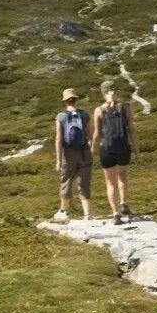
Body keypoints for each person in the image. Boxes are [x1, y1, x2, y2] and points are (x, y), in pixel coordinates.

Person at [92, 78, 135, 225]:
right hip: (123, 147)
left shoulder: (99, 110)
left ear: (104, 93)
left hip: (107, 148)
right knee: (122, 175)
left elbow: (97, 133)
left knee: (110, 182)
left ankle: (115, 213)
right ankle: (123, 202)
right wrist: (136, 147)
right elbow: (131, 129)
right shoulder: (126, 107)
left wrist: (94, 148)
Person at [52, 88, 93, 221]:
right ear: (76, 100)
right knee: (84, 182)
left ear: (65, 102)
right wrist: (90, 150)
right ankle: (87, 214)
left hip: (68, 154)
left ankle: (64, 210)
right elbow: (92, 135)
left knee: (66, 180)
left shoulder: (61, 116)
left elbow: (59, 139)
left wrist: (58, 160)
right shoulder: (85, 115)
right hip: (84, 152)